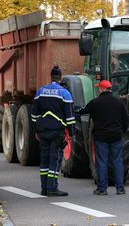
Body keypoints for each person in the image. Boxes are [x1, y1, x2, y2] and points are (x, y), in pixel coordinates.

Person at [76, 80, 129, 195]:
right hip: (116, 136)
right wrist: (122, 131)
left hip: (101, 137)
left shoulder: (95, 102)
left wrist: (74, 109)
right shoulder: (119, 102)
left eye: (98, 88)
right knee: (117, 161)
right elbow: (126, 120)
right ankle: (120, 188)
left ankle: (102, 189)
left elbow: (82, 111)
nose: (97, 90)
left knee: (102, 162)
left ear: (102, 89)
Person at [31, 66, 75, 197]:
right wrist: (72, 134)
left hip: (43, 131)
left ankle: (44, 188)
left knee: (44, 159)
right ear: (60, 77)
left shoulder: (40, 91)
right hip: (57, 132)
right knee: (55, 160)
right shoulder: (64, 93)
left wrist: (36, 130)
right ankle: (52, 188)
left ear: (51, 76)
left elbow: (34, 114)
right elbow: (70, 117)